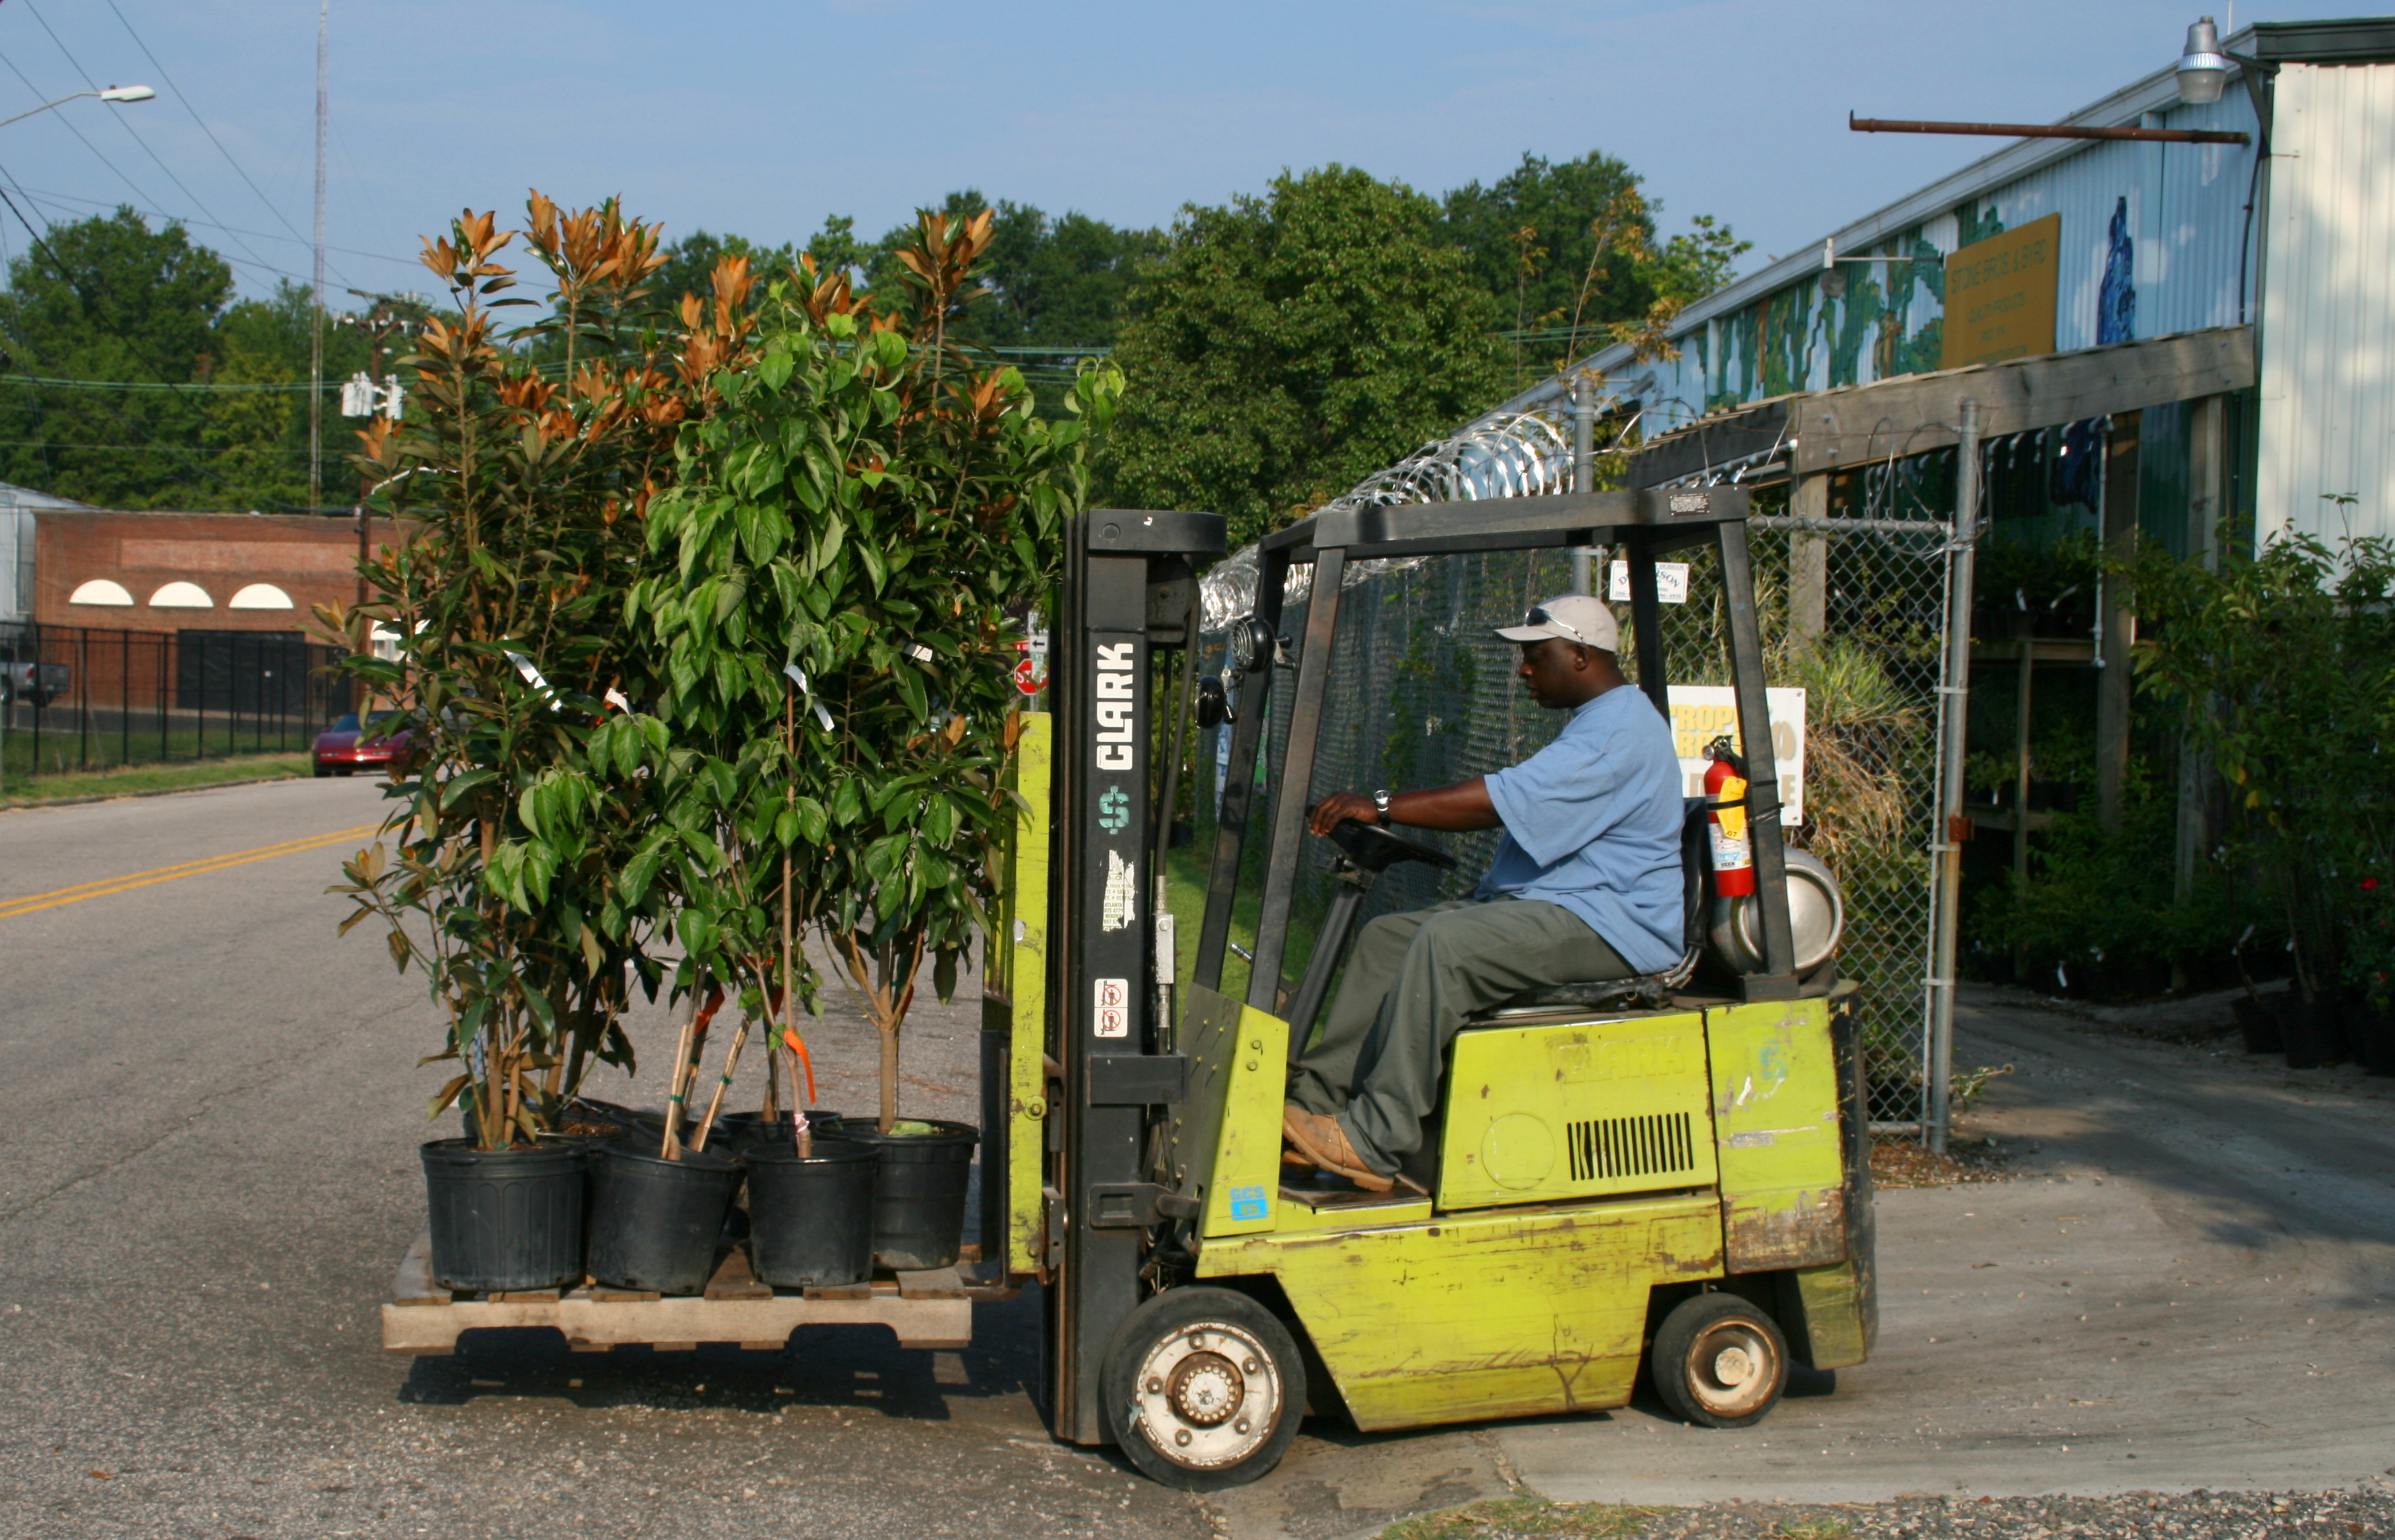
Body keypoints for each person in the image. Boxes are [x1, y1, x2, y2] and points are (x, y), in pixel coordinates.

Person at [1282, 593, 1685, 1192]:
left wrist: (1384, 807)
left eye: (1534, 655)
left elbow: (1499, 800)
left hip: (1614, 924)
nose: (1523, 670)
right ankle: (1309, 1106)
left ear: (1579, 655)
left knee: (1448, 945)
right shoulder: (1599, 721)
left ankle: (1374, 1139)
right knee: (1390, 937)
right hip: (1565, 903)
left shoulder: (1619, 732)